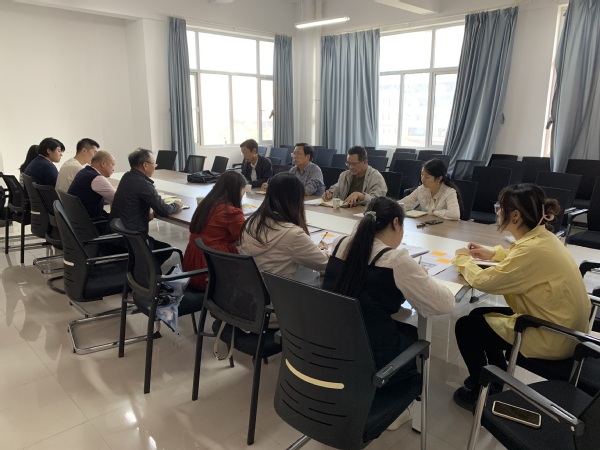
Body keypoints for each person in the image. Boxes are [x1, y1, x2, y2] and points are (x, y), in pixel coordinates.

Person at [452, 183, 591, 411]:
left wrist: (462, 259)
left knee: (466, 327)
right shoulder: (543, 238)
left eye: (499, 208)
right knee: (479, 314)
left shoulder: (531, 250)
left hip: (554, 335)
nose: (497, 212)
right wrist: (494, 253)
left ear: (515, 216)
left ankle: (481, 390)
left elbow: (485, 282)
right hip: (562, 324)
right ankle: (495, 377)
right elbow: (521, 259)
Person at [323, 196, 455, 429]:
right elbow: (445, 304)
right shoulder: (396, 260)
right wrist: (422, 277)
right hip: (373, 353)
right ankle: (400, 404)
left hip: (334, 340)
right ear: (396, 223)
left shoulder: (339, 243)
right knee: (411, 335)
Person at [240, 172, 328, 285]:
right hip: (283, 292)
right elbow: (324, 264)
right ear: (296, 199)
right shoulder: (292, 234)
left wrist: (310, 248)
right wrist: (323, 251)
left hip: (254, 288)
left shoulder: (252, 221)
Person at [109, 148, 182, 266]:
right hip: (133, 239)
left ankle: (140, 270)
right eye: (154, 164)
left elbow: (137, 199)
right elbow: (164, 210)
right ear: (145, 165)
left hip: (120, 235)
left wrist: (149, 207)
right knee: (167, 250)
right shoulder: (143, 184)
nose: (155, 167)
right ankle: (146, 272)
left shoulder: (127, 177)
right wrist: (177, 205)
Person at [183, 171, 246, 290]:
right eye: (243, 190)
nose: (244, 193)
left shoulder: (205, 204)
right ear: (237, 190)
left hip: (192, 268)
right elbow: (244, 237)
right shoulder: (231, 212)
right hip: (212, 271)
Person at [322, 146, 387, 207]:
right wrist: (330, 193)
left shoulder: (376, 177)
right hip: (346, 211)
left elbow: (378, 200)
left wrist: (360, 196)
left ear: (365, 162)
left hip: (364, 212)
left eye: (354, 164)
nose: (350, 167)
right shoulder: (345, 175)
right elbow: (337, 188)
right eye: (348, 163)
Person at [68, 150, 116, 220]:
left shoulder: (83, 172)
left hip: (78, 219)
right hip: (91, 221)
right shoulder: (96, 178)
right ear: (103, 164)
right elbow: (117, 197)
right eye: (113, 165)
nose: (113, 169)